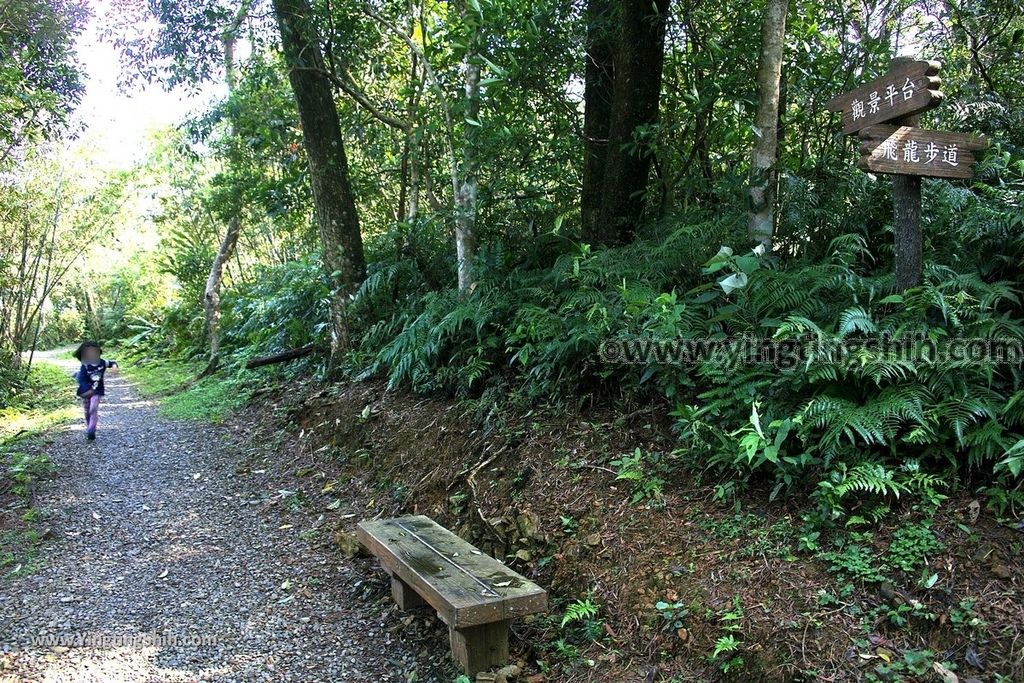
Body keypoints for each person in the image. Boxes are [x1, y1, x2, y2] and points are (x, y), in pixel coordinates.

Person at [73, 341, 118, 441]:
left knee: (93, 408)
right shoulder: (84, 366)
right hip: (85, 391)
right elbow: (82, 380)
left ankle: (91, 430)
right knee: (87, 411)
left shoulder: (102, 362)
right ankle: (89, 426)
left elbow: (112, 362)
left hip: (97, 391)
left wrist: (114, 367)